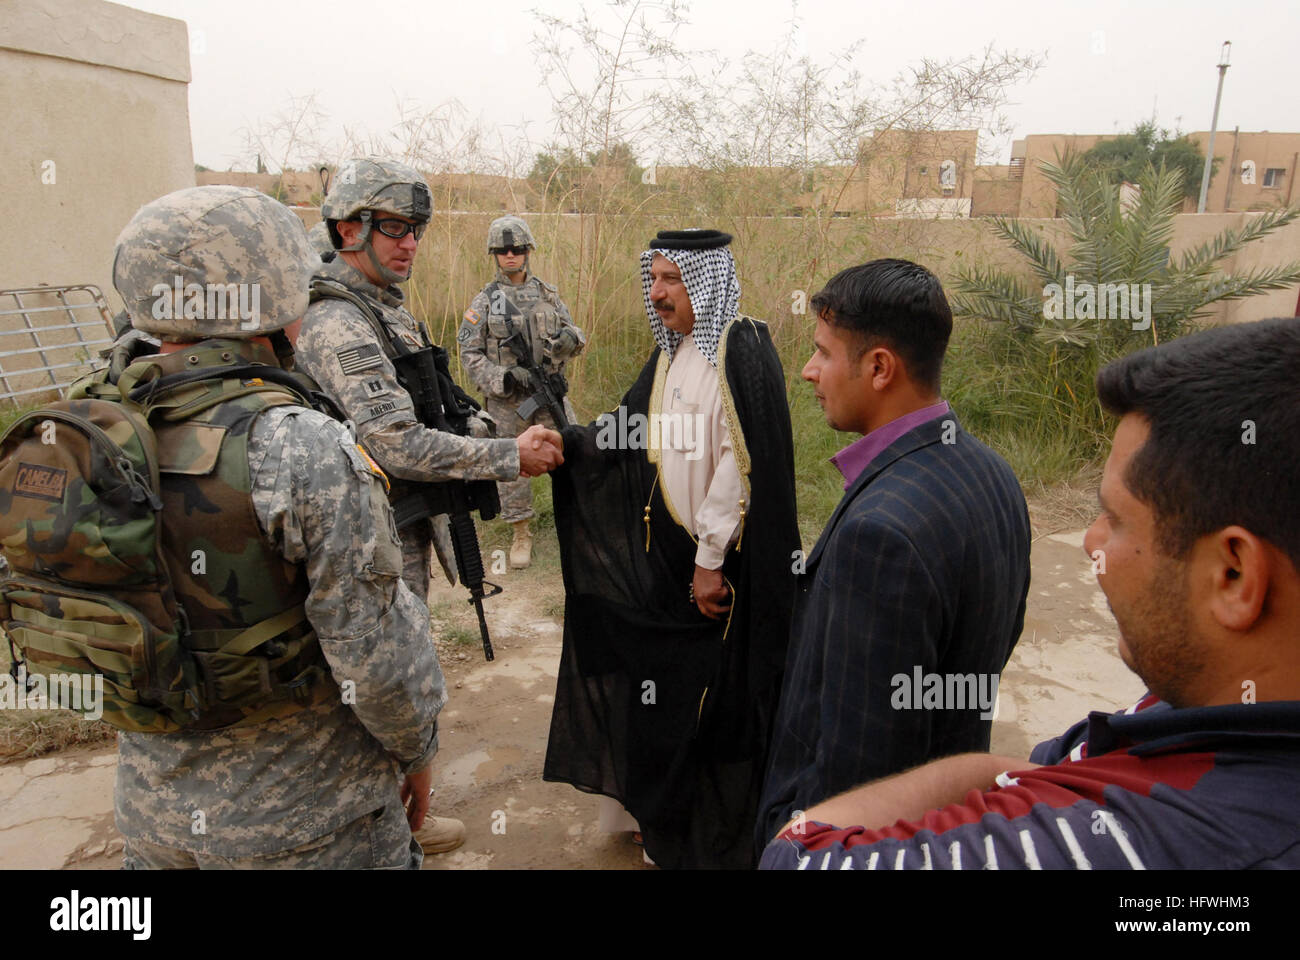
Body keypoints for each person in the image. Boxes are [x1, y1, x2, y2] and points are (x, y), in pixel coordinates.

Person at [762, 316, 1300, 869]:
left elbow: (798, 854)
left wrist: (1004, 781)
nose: (1091, 540)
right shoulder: (991, 471)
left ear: (1234, 575)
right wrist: (1015, 778)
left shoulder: (1127, 843)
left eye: (1115, 519)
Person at [101, 185, 441, 868]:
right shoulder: (300, 446)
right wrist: (417, 749)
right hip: (309, 820)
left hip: (152, 817)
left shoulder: (85, 433)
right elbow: (372, 659)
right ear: (278, 292)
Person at [293, 158, 563, 855]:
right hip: (365, 531)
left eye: (414, 228)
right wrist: (508, 455)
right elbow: (393, 442)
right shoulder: (338, 320)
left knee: (399, 670)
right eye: (390, 228)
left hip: (400, 522)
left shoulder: (382, 305)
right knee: (378, 682)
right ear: (346, 229)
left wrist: (477, 426)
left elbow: (429, 405)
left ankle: (395, 817)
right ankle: (383, 833)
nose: (407, 243)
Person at [543, 229, 800, 869]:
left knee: (709, 702)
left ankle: (705, 831)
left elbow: (738, 468)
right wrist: (567, 446)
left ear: (706, 282)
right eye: (653, 279)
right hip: (670, 560)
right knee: (656, 689)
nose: (658, 294)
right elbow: (628, 427)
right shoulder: (674, 352)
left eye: (673, 280)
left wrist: (710, 561)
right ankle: (657, 814)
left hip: (716, 567)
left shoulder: (739, 349)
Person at [756, 258, 1032, 849]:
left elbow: (861, 766)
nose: (808, 371)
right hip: (949, 810)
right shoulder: (994, 473)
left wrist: (800, 844)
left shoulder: (880, 534)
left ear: (879, 367)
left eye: (824, 353)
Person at [458, 215, 586, 569]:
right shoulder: (485, 302)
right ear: (494, 254)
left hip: (550, 393)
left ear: (528, 251)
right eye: (503, 250)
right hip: (509, 403)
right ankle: (521, 532)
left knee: (573, 448)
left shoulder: (548, 295)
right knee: (513, 465)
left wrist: (569, 340)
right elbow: (469, 353)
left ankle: (577, 521)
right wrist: (503, 377)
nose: (510, 256)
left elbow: (576, 336)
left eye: (517, 249)